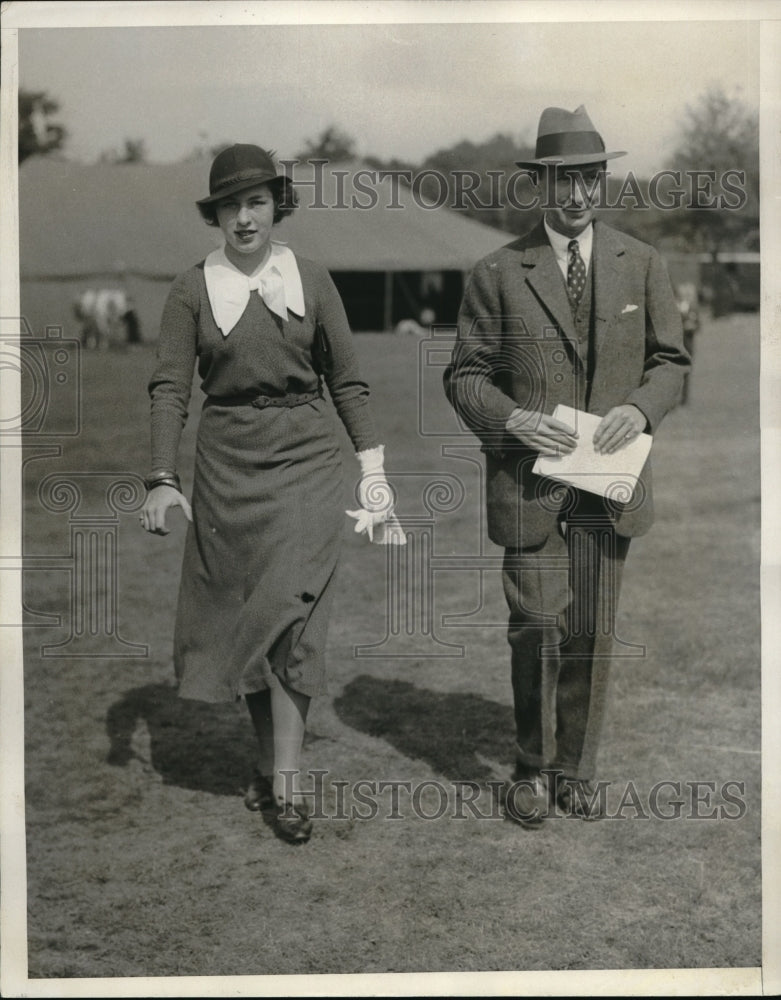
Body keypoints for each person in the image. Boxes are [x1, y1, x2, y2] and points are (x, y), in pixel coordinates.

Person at [140, 144, 402, 844]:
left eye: (256, 202)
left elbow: (346, 380)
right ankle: (270, 762)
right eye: (231, 205)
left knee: (294, 619)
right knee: (247, 626)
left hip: (310, 463)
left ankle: (287, 785)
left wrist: (372, 470)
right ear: (215, 215)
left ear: (275, 206)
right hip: (227, 470)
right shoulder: (191, 289)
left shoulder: (310, 279)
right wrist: (162, 479)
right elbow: (170, 388)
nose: (244, 217)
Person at [443, 106, 689, 826]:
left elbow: (670, 363)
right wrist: (512, 419)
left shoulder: (642, 264)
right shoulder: (496, 273)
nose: (576, 195)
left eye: (588, 179)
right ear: (538, 187)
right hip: (529, 482)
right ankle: (529, 766)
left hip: (606, 484)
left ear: (603, 181)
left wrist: (640, 410)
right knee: (536, 624)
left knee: (590, 629)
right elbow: (465, 376)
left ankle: (575, 768)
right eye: (562, 182)